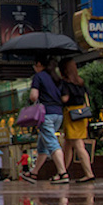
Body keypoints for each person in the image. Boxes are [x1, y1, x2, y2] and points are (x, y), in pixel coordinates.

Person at [21, 56, 69, 184]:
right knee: (43, 146)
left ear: (39, 64)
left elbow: (33, 96)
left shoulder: (39, 76)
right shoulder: (56, 77)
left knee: (52, 143)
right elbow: (65, 98)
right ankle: (34, 173)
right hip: (58, 114)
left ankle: (63, 173)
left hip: (45, 114)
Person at [59, 58, 96, 183]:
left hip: (71, 114)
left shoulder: (65, 83)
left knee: (78, 145)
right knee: (68, 145)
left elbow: (65, 98)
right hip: (81, 115)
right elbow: (86, 99)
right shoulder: (80, 82)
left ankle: (88, 173)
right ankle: (62, 172)